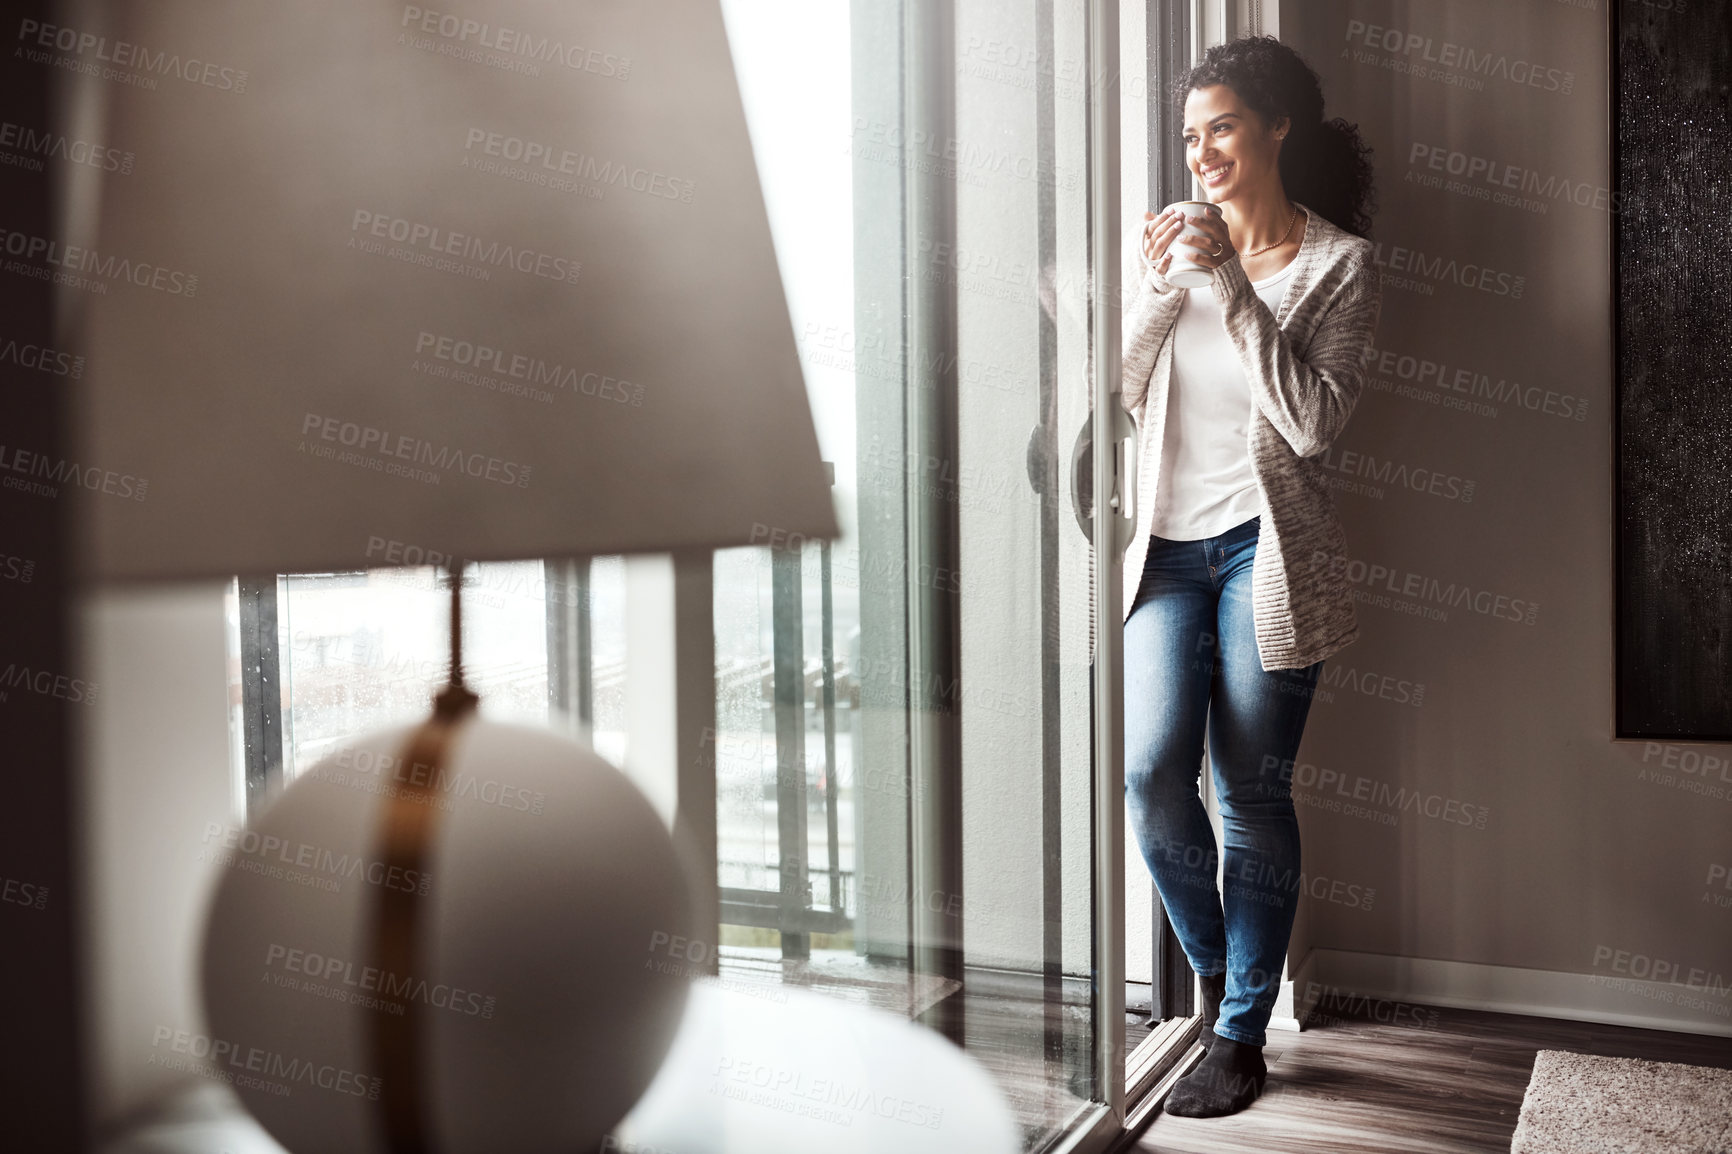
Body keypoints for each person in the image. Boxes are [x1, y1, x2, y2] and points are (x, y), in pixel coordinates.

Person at [1121, 35, 1381, 1118]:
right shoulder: (1182, 255)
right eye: (1190, 137)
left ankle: (1236, 1033)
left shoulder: (1339, 265)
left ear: (1277, 126)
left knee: (1247, 790)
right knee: (1147, 776)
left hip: (1262, 556)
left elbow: (1315, 424)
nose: (1201, 154)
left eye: (1220, 125)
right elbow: (1118, 398)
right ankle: (1226, 977)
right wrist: (1155, 287)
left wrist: (1229, 282)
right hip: (1165, 552)